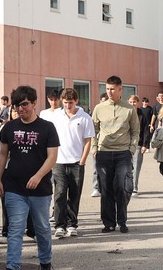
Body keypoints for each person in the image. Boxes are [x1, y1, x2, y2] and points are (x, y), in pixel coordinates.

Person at [0, 86, 59, 270]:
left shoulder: (47, 127)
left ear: (33, 103)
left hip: (40, 189)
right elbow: (3, 154)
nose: (21, 109)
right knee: (15, 227)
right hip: (14, 186)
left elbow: (52, 157)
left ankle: (46, 262)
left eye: (24, 104)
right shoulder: (9, 127)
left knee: (41, 227)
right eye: (17, 105)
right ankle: (12, 268)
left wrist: (39, 176)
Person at [92, 76, 138, 234]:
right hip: (103, 153)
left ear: (120, 89)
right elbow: (94, 130)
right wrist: (94, 149)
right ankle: (108, 223)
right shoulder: (99, 108)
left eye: (112, 89)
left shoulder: (129, 109)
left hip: (122, 153)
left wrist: (131, 149)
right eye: (107, 89)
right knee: (106, 189)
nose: (109, 92)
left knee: (122, 187)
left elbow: (135, 131)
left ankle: (122, 221)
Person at [49, 87, 94, 238]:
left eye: (71, 102)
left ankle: (72, 224)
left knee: (74, 194)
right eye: (65, 102)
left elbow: (88, 141)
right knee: (60, 193)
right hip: (59, 161)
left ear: (76, 101)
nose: (68, 105)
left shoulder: (85, 117)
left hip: (76, 162)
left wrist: (82, 160)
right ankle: (59, 225)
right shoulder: (56, 116)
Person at [130, 95, 152, 194]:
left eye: (134, 102)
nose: (132, 104)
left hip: (138, 144)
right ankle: (126, 185)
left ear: (138, 102)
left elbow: (146, 131)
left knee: (136, 166)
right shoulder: (125, 113)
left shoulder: (142, 115)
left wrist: (145, 145)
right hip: (125, 144)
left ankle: (134, 186)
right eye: (130, 102)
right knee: (125, 167)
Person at [89, 92, 109, 198]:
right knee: (96, 167)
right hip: (98, 144)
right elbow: (93, 130)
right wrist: (93, 146)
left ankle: (105, 188)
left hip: (109, 145)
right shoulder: (97, 111)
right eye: (102, 101)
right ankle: (96, 187)